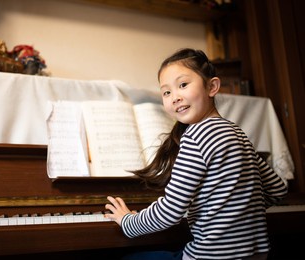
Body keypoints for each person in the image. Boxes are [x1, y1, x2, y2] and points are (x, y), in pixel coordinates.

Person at [104, 48, 288, 260]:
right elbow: (278, 189)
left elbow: (170, 212)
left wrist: (128, 221)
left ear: (212, 86)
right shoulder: (238, 133)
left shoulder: (196, 136)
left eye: (183, 85)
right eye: (166, 92)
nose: (175, 97)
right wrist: (236, 210)